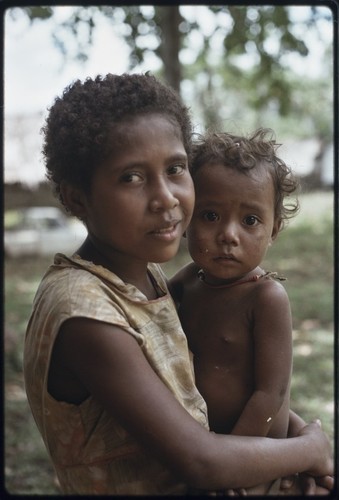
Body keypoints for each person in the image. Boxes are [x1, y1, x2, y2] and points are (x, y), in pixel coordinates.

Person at [23, 74, 333, 496]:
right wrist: (309, 449)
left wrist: (284, 446)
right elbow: (202, 463)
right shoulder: (85, 314)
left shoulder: (146, 278)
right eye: (132, 177)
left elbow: (233, 383)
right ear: (78, 199)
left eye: (175, 169)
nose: (166, 198)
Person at [169, 129, 304, 494]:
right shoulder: (189, 281)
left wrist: (236, 460)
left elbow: (270, 395)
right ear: (186, 220)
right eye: (210, 215)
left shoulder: (266, 298)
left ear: (273, 229)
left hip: (257, 459)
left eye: (250, 221)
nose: (229, 235)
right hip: (207, 449)